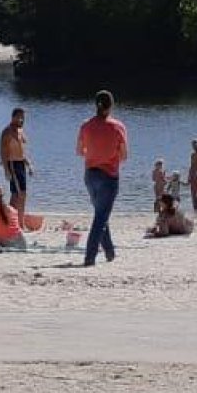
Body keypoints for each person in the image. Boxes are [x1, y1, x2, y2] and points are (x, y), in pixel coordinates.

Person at [77, 91, 128, 266]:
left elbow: (79, 151)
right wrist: (109, 154)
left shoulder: (86, 126)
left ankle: (110, 252)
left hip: (90, 175)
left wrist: (94, 152)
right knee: (100, 217)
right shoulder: (118, 127)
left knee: (101, 214)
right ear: (111, 106)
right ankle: (89, 256)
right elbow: (124, 155)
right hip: (109, 176)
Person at [0, 108, 31, 212]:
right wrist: (6, 170)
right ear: (13, 117)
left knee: (23, 194)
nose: (22, 120)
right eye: (19, 117)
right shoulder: (7, 132)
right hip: (13, 164)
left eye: (23, 118)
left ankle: (20, 218)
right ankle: (11, 217)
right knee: (17, 194)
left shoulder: (20, 131)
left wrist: (29, 164)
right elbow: (3, 152)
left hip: (21, 164)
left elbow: (21, 151)